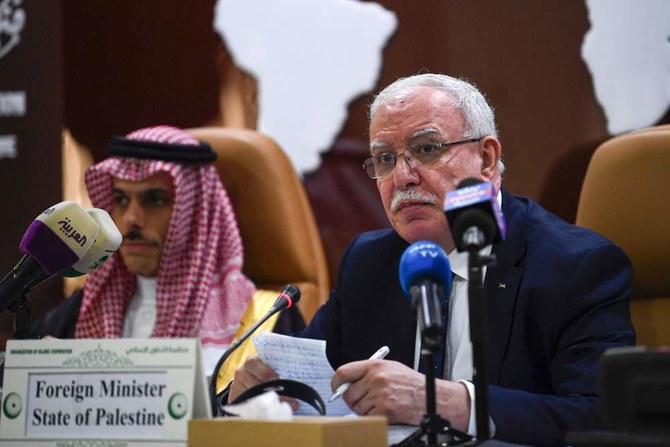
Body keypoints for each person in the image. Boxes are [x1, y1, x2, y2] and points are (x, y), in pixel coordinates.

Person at [228, 73, 635, 446]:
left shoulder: (576, 267)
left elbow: (601, 417)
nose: (403, 176)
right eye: (385, 158)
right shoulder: (369, 262)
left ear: (487, 160)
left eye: (426, 149)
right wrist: (259, 388)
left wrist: (450, 403)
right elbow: (300, 375)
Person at [32, 125, 304, 375]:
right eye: (121, 199)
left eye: (154, 200)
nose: (130, 219)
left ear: (196, 212)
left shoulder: (265, 320)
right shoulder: (74, 317)